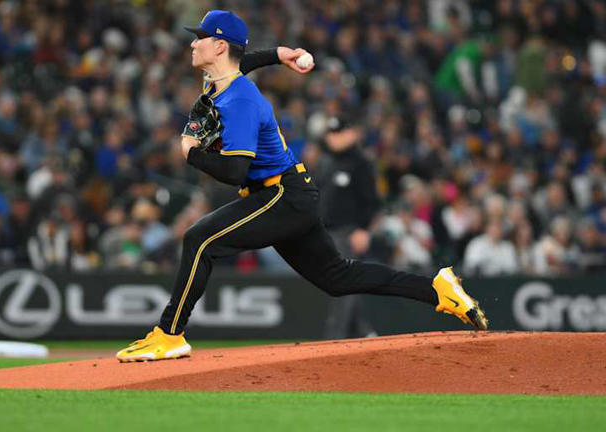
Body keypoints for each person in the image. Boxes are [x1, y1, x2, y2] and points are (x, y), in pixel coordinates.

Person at [116, 10, 488, 363]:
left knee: (199, 238)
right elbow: (244, 61)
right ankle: (438, 290)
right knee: (337, 277)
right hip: (289, 193)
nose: (193, 44)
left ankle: (169, 334)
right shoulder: (220, 78)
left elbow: (233, 171)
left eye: (200, 38)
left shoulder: (240, 98)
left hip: (280, 194)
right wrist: (279, 54)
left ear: (219, 46)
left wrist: (192, 154)